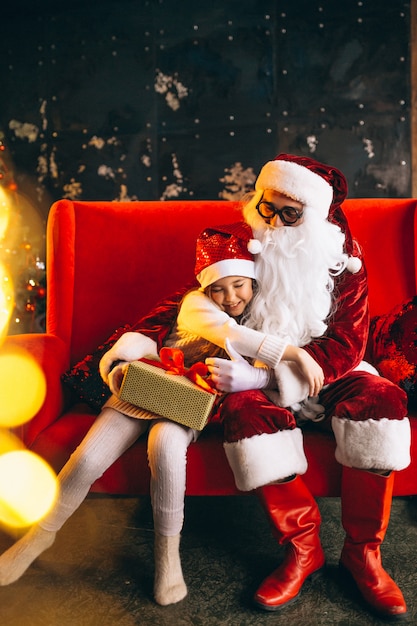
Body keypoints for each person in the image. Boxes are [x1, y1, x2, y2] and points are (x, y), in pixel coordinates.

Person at [98, 154, 411, 621]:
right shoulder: (238, 241)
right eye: (268, 207)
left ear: (316, 215)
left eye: (291, 213)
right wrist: (130, 350)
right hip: (244, 371)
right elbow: (188, 302)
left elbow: (348, 343)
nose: (275, 222)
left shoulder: (343, 260)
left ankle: (364, 555)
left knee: (382, 402)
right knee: (245, 412)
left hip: (326, 371)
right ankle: (302, 550)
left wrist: (269, 375)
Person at [0, 221, 310, 606]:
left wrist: (267, 371)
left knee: (165, 448)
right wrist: (122, 365)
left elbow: (266, 359)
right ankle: (38, 538)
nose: (229, 297)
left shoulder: (264, 315)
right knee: (87, 457)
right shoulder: (196, 305)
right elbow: (229, 336)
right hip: (150, 385)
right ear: (204, 287)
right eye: (218, 288)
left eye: (238, 286)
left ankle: (167, 557)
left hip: (189, 403)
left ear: (253, 282)